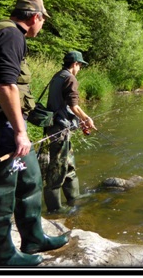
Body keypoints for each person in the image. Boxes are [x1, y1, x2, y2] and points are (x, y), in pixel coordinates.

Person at [0, 0, 70, 266]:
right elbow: (6, 86)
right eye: (43, 20)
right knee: (0, 189)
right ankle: (3, 255)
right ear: (36, 17)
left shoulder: (5, 32)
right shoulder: (11, 36)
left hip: (3, 122)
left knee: (30, 178)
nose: (42, 26)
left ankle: (33, 238)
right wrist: (21, 133)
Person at [42, 51, 96, 212]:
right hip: (60, 129)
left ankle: (74, 198)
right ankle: (55, 209)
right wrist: (87, 119)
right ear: (75, 64)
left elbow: (63, 105)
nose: (80, 68)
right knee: (57, 169)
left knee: (69, 165)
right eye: (80, 65)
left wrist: (77, 120)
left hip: (58, 126)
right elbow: (74, 106)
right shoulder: (70, 78)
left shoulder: (58, 75)